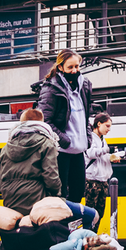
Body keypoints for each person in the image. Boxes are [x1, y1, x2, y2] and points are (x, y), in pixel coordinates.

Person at [36, 49, 93, 202]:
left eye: (77, 66)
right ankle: (63, 225)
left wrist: (88, 138)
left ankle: (74, 225)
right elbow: (44, 120)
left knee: (78, 193)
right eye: (70, 67)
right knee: (60, 195)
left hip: (79, 150)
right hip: (61, 151)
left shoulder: (84, 85)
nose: (74, 70)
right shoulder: (51, 88)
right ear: (60, 67)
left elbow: (85, 116)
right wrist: (64, 140)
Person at [0, 106, 62, 216]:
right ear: (41, 122)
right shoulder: (46, 143)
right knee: (88, 214)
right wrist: (57, 195)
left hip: (10, 201)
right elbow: (51, 176)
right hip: (37, 200)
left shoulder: (6, 147)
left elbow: (2, 177)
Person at [82, 113, 115, 225]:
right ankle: (87, 235)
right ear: (99, 124)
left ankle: (93, 235)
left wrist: (111, 158)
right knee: (90, 212)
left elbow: (100, 156)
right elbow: (91, 153)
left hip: (102, 180)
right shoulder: (90, 137)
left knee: (100, 213)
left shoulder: (102, 140)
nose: (109, 129)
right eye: (107, 126)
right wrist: (107, 150)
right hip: (92, 180)